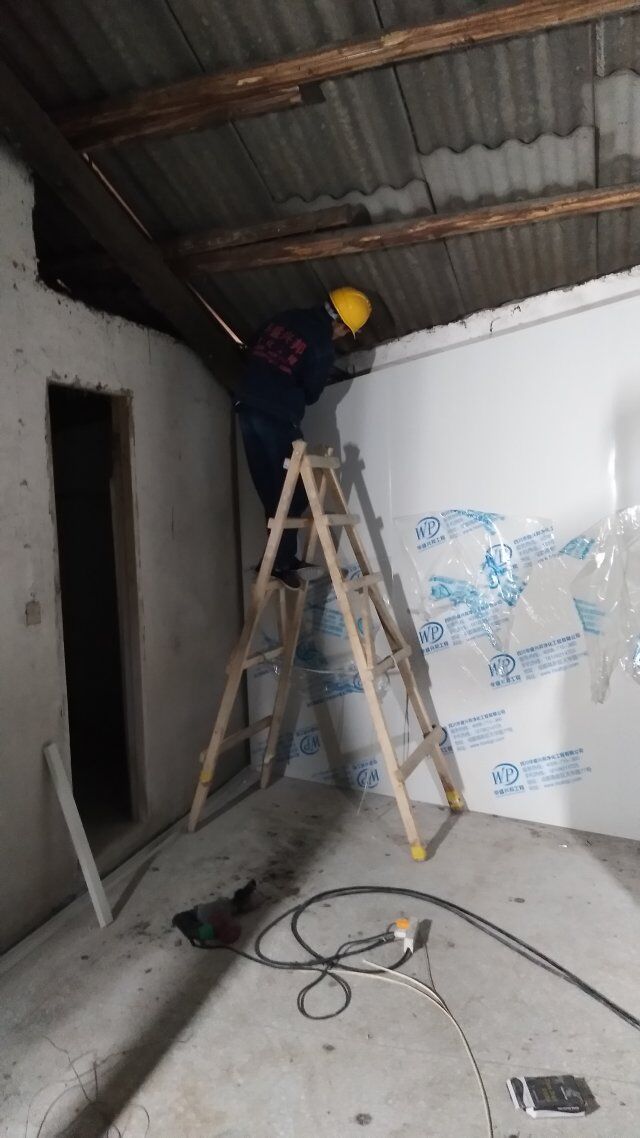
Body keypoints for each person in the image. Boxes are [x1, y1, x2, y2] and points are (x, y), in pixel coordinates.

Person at [234, 286, 372, 589]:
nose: (341, 336)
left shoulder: (285, 318)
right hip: (276, 415)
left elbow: (253, 344)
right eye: (345, 332)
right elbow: (311, 393)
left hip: (246, 408)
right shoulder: (321, 346)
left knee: (271, 490)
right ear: (340, 324)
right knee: (294, 492)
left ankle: (280, 561)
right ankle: (280, 562)